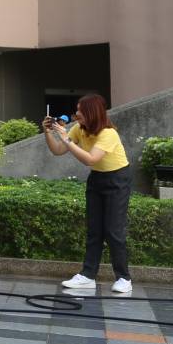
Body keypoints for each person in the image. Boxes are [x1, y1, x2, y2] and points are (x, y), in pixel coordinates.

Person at [45, 95, 133, 293]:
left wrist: (66, 139)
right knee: (94, 230)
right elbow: (57, 150)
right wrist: (48, 133)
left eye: (81, 110)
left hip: (117, 180)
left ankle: (124, 278)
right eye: (77, 110)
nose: (77, 114)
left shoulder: (108, 133)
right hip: (97, 179)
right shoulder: (79, 129)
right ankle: (87, 275)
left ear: (92, 113)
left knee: (113, 231)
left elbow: (91, 159)